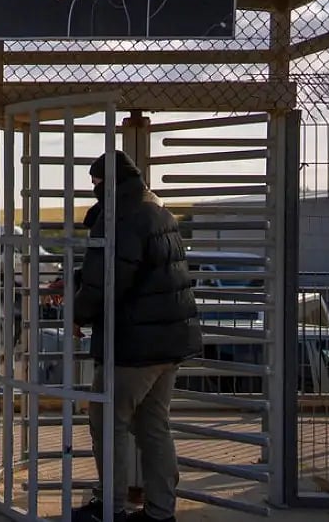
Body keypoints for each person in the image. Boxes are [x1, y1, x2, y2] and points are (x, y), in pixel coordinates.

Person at [71, 151, 202, 522]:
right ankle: (161, 513)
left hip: (135, 345)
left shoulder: (121, 217)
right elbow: (140, 271)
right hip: (169, 342)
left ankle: (109, 509)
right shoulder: (158, 210)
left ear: (109, 184)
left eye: (97, 184)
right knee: (154, 427)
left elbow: (110, 280)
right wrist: (80, 282)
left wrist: (78, 312)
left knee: (107, 421)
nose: (94, 191)